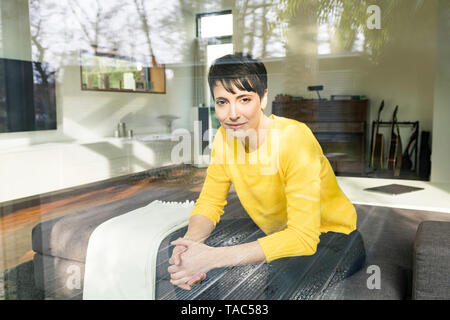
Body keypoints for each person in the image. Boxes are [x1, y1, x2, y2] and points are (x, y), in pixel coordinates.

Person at [167, 53, 365, 294]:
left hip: (334, 238)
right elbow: (209, 203)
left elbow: (303, 237)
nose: (232, 113)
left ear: (263, 98)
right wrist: (192, 243)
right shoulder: (223, 137)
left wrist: (213, 257)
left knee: (282, 276)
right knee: (179, 250)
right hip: (279, 232)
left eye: (244, 99)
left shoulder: (294, 138)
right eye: (222, 102)